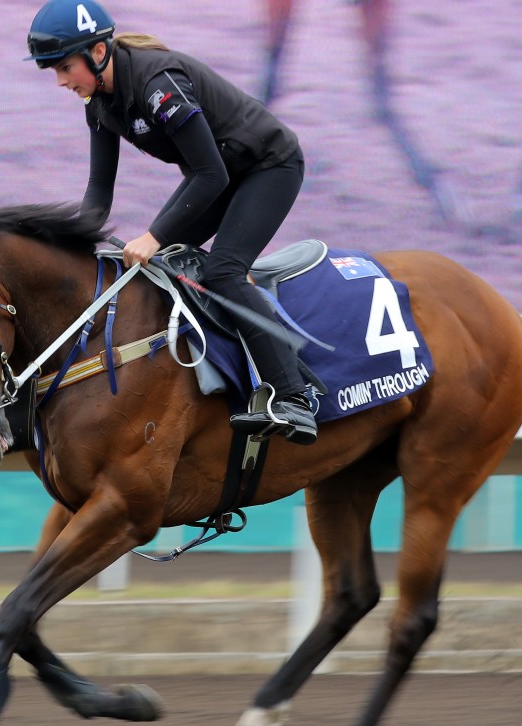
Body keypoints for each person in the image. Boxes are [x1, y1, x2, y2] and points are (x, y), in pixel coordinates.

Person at [25, 0, 318, 445]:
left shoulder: (155, 81)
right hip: (220, 174)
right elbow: (99, 191)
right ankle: (264, 373)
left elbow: (211, 174)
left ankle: (295, 398)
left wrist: (153, 235)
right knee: (168, 264)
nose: (63, 81)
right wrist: (70, 244)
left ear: (98, 52)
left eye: (66, 67)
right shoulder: (97, 102)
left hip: (267, 167)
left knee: (223, 270)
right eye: (55, 72)